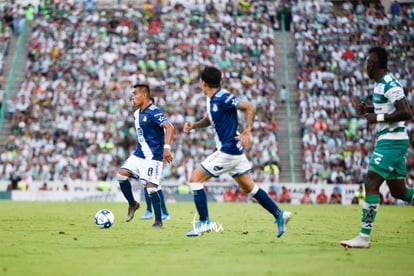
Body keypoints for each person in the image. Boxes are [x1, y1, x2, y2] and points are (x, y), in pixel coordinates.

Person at [183, 66, 291, 237]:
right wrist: (195, 125)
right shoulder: (211, 98)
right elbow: (211, 119)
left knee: (195, 180)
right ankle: (279, 214)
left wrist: (247, 130)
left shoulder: (223, 97)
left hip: (228, 151)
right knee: (250, 188)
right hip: (235, 152)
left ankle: (204, 222)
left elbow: (250, 107)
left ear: (203, 83)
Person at [341, 47, 414, 248]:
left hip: (392, 141)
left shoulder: (390, 84)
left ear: (372, 64)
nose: (365, 66)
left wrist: (377, 117)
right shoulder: (380, 85)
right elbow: (388, 109)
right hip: (391, 139)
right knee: (399, 192)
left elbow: (406, 112)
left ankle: (364, 237)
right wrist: (370, 110)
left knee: (371, 183)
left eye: (367, 63)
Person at [117, 83, 174, 228]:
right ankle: (132, 204)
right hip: (139, 154)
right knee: (121, 175)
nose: (133, 97)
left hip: (153, 158)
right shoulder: (136, 114)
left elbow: (169, 127)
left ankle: (158, 221)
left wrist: (166, 148)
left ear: (144, 95)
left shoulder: (154, 112)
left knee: (151, 189)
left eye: (135, 94)